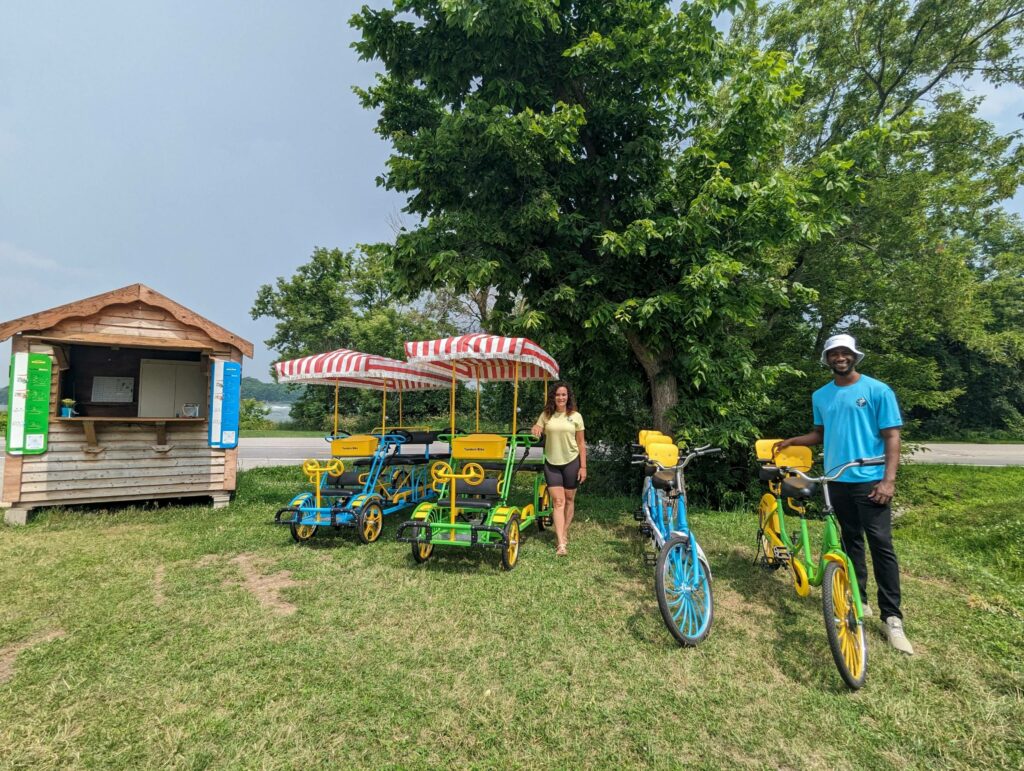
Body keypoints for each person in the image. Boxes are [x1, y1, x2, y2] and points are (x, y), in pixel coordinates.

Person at [775, 334, 913, 655]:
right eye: (834, 353)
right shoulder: (821, 395)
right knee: (850, 540)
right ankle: (859, 599)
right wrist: (792, 441)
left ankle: (892, 618)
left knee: (880, 544)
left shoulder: (878, 390)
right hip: (835, 480)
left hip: (871, 480)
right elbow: (820, 434)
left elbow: (892, 436)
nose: (840, 357)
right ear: (827, 359)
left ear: (854, 356)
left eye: (845, 352)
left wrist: (888, 481)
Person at [531, 382, 586, 557]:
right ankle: (561, 543)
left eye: (564, 394)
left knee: (569, 499)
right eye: (558, 395)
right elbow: (537, 429)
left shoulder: (576, 416)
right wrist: (536, 428)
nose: (561, 397)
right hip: (551, 463)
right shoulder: (546, 415)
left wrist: (583, 467)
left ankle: (564, 531)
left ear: (568, 397)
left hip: (571, 462)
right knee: (558, 502)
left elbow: (581, 443)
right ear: (553, 397)